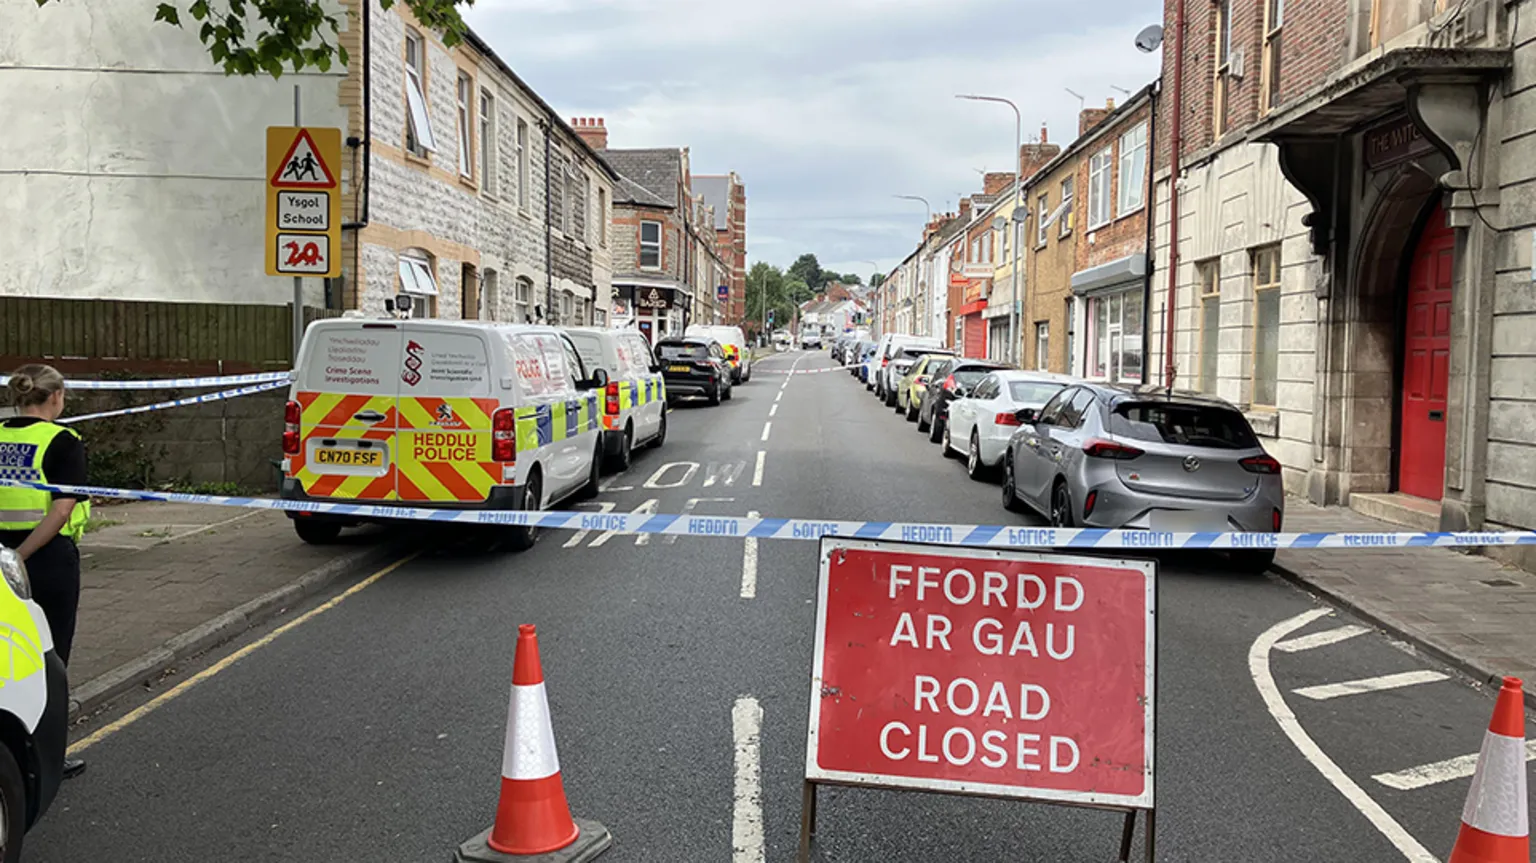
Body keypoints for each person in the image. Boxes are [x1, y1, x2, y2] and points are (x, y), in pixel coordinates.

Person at [0, 364, 89, 779]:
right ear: (55, 397)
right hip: (45, 560)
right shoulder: (63, 440)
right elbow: (62, 509)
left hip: (0, 558)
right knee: (50, 659)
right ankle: (48, 760)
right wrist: (21, 555)